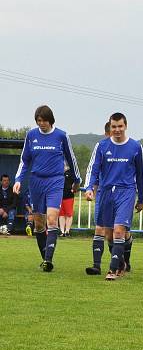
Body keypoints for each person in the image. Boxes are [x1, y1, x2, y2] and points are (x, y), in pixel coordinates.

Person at [13, 105, 81, 271]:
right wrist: (18, 180)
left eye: (44, 120)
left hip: (55, 181)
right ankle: (45, 258)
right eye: (38, 121)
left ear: (51, 120)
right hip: (36, 181)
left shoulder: (61, 136)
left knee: (52, 219)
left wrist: (76, 179)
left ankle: (49, 260)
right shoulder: (31, 135)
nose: (41, 123)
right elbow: (25, 160)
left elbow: (71, 160)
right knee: (39, 224)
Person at [85, 113, 143, 280]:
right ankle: (121, 263)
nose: (117, 130)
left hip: (126, 191)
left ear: (125, 126)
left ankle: (112, 270)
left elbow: (141, 175)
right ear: (110, 127)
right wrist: (89, 187)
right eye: (114, 127)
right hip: (105, 192)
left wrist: (141, 198)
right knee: (109, 235)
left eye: (120, 126)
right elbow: (93, 169)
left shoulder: (135, 147)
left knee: (119, 231)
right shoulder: (101, 146)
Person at [58, 161, 78, 236]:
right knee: (61, 214)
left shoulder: (71, 172)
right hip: (59, 196)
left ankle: (67, 231)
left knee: (69, 214)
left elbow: (77, 181)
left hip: (69, 196)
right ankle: (62, 231)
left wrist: (74, 189)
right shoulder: (58, 172)